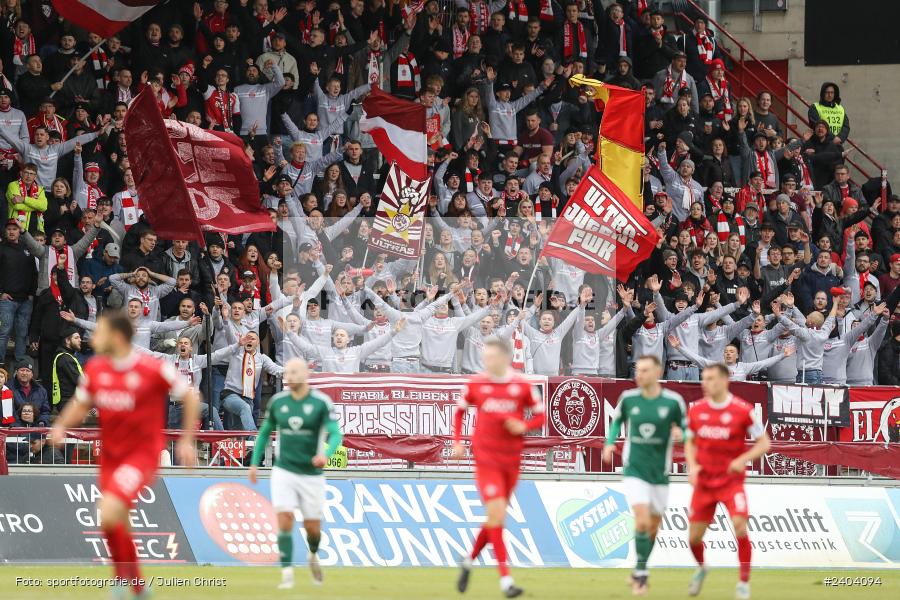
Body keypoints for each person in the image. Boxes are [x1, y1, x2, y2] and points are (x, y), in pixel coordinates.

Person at [49, 311, 198, 598]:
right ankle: (137, 586)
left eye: (100, 331)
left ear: (116, 337)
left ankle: (122, 584)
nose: (94, 337)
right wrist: (60, 427)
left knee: (109, 509)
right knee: (111, 520)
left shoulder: (152, 368)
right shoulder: (95, 369)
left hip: (141, 455)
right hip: (111, 457)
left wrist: (187, 440)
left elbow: (190, 396)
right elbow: (80, 405)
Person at [452, 338, 543, 598]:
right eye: (485, 357)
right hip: (486, 459)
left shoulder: (521, 386)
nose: (486, 361)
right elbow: (459, 413)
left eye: (491, 357)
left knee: (494, 518)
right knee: (497, 516)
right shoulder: (476, 383)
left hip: (512, 461)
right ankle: (506, 581)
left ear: (504, 358)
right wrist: (458, 442)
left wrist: (523, 426)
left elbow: (541, 414)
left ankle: (468, 560)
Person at [248, 358, 343, 590]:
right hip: (284, 470)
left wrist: (326, 455)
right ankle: (287, 574)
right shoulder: (279, 402)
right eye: (287, 372)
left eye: (293, 372)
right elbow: (264, 433)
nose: (287, 376)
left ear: (305, 374)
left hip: (312, 474)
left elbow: (335, 434)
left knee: (312, 528)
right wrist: (253, 463)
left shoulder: (321, 403)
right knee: (285, 520)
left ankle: (312, 554)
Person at [685, 363, 771, 600]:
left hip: (731, 482)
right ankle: (702, 567)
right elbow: (689, 441)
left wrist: (741, 459)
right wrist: (692, 466)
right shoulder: (696, 410)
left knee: (740, 526)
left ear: (724, 380)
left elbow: (764, 443)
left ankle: (743, 583)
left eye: (710, 378)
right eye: (703, 378)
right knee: (693, 538)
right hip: (704, 483)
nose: (705, 383)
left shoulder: (742, 410)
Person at [602, 354, 686, 595]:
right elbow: (617, 422)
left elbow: (687, 430)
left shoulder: (673, 401)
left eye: (645, 370)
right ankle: (641, 573)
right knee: (641, 519)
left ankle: (641, 565)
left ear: (658, 373)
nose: (639, 375)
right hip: (634, 468)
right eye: (637, 370)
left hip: (659, 471)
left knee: (653, 526)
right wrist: (609, 443)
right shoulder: (629, 398)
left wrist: (683, 435)